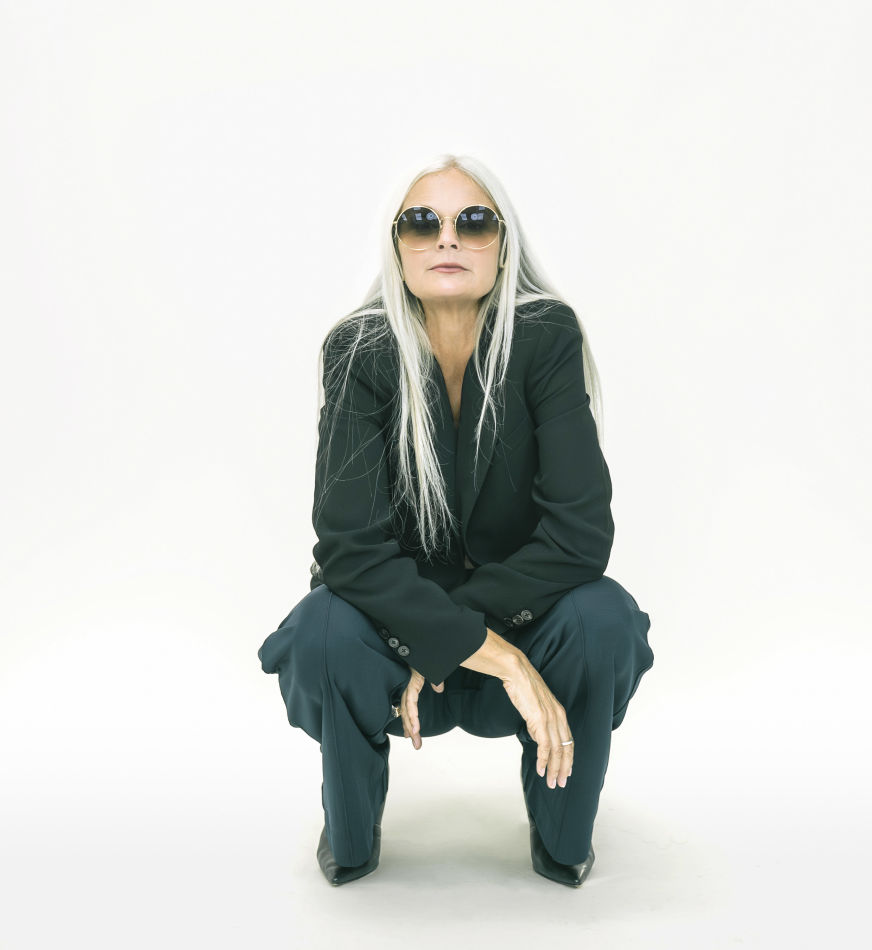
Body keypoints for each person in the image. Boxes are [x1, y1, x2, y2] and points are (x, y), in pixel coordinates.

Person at [257, 153, 654, 888]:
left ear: (503, 246)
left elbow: (580, 535)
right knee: (322, 631)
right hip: (392, 657)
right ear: (397, 246)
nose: (447, 238)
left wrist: (457, 638)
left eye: (473, 222)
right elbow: (348, 550)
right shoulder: (358, 351)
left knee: (603, 620)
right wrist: (470, 647)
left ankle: (561, 829)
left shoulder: (547, 338)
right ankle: (352, 830)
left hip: (523, 633)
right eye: (422, 222)